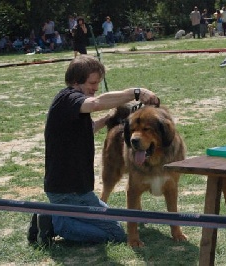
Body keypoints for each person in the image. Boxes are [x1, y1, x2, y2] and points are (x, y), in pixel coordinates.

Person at [27, 55, 160, 246]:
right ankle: (54, 222)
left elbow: (89, 128)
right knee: (115, 233)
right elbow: (95, 103)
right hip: (69, 191)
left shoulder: (71, 107)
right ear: (75, 80)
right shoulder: (68, 98)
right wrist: (136, 93)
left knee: (112, 219)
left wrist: (109, 118)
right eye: (92, 82)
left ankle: (55, 217)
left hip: (77, 189)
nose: (95, 87)